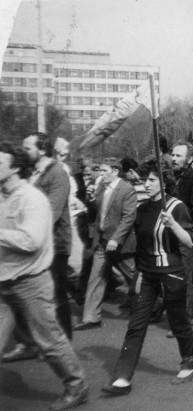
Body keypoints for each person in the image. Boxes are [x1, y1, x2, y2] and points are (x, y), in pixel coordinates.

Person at [0, 142, 89, 410]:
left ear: (16, 168)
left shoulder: (31, 198)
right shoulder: (2, 197)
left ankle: (76, 385)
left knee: (49, 341)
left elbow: (32, 240)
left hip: (30, 283)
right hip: (4, 281)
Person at [102, 161, 193, 395]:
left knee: (178, 321)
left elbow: (190, 241)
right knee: (136, 324)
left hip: (171, 273)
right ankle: (122, 377)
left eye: (152, 180)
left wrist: (173, 224)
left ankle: (189, 362)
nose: (147, 184)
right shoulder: (143, 209)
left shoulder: (176, 207)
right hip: (146, 274)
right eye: (145, 179)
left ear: (165, 183)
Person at [3, 132, 74, 363]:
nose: (23, 153)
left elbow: (51, 213)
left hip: (54, 245)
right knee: (17, 297)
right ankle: (28, 343)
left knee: (56, 298)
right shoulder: (32, 173)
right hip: (24, 248)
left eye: (28, 148)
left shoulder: (57, 173)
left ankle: (61, 346)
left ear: (42, 150)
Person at [74, 158, 137, 330]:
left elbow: (128, 217)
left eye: (103, 171)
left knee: (133, 276)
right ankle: (91, 317)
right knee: (96, 277)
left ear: (115, 171)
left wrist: (116, 239)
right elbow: (94, 213)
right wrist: (92, 198)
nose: (100, 175)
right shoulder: (101, 187)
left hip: (120, 244)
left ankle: (154, 304)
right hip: (101, 241)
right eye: (99, 171)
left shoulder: (127, 189)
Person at [171, 140, 193, 319]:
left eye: (179, 156)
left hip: (186, 236)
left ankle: (184, 317)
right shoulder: (172, 178)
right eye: (173, 154)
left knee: (184, 277)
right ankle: (191, 306)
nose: (174, 159)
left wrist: (179, 217)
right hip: (171, 235)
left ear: (190, 159)